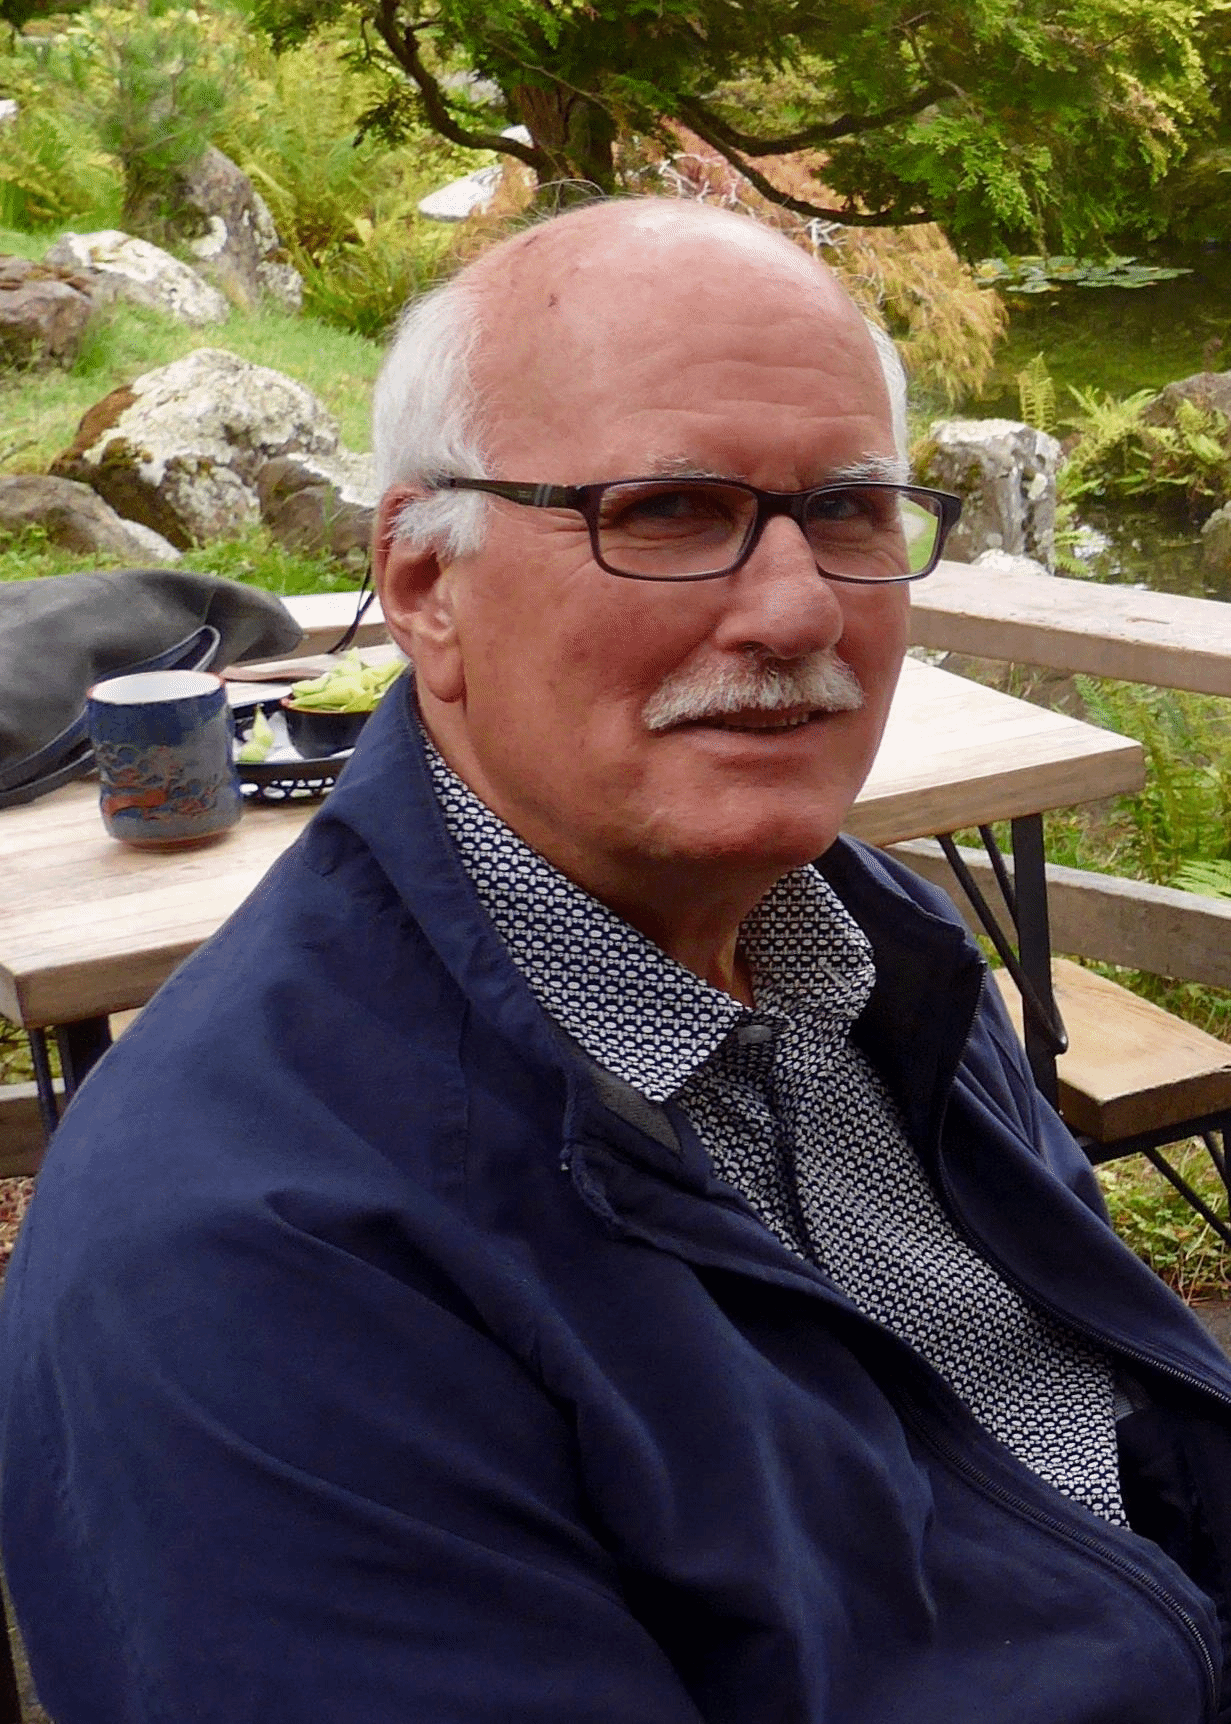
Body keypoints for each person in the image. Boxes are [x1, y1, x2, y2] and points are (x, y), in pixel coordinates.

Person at [2, 197, 1231, 1724]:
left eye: (848, 510)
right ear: (425, 586)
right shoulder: (239, 1274)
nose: (795, 607)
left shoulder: (860, 949)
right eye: (665, 511)